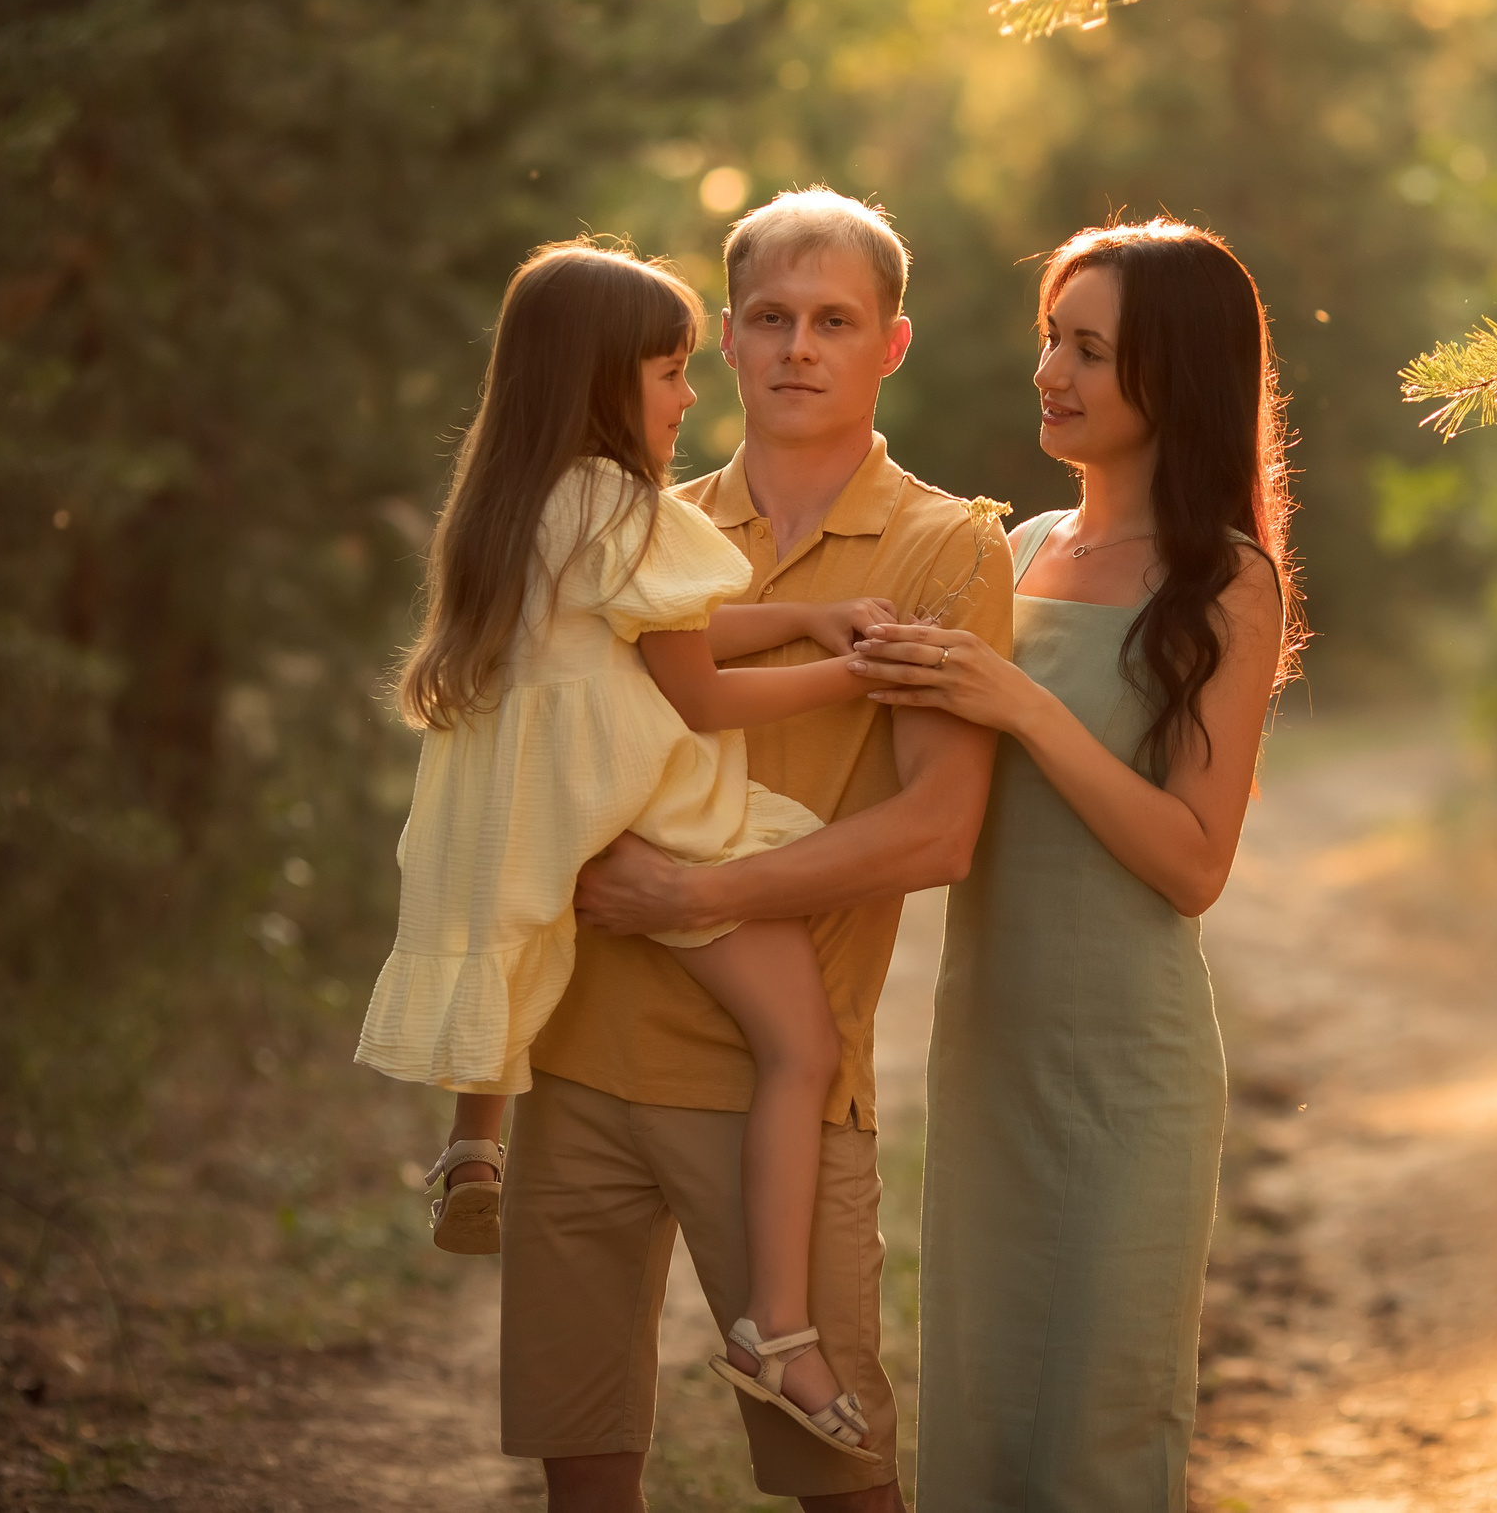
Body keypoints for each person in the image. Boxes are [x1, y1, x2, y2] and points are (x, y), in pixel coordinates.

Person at [355, 237, 900, 1459]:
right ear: (606, 383)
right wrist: (850, 672)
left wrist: (806, 614)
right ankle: (777, 1328)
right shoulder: (629, 508)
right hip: (647, 818)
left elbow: (656, 636)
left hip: (524, 814)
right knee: (801, 1047)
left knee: (516, 949)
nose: (689, 397)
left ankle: (473, 1147)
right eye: (669, 372)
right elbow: (695, 691)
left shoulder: (512, 507)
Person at [528, 190, 1015, 1512]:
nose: (800, 347)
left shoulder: (944, 546)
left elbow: (938, 827)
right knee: (582, 1475)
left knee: (841, 1476)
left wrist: (692, 892)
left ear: (892, 344)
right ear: (726, 338)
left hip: (778, 1080)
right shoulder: (633, 527)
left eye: (835, 321)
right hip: (579, 1053)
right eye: (771, 318)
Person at [848, 219, 1303, 1511]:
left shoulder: (1227, 583)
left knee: (1102, 1422)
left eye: (1090, 350)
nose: (1050, 370)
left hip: (1128, 1066)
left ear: (1176, 373)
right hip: (990, 1046)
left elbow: (1193, 863)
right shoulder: (1011, 552)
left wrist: (1024, 706)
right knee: (982, 1408)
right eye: (1052, 337)